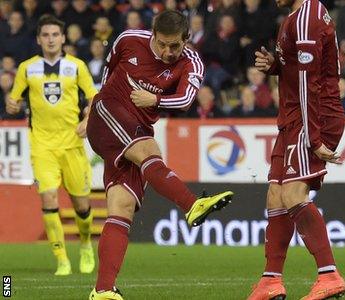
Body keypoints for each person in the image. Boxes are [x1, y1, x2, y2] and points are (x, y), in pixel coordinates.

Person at [86, 10, 233, 299]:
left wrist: (156, 99)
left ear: (185, 40)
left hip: (136, 127)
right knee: (150, 150)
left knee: (122, 206)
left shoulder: (191, 62)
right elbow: (108, 66)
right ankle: (192, 205)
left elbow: (187, 100)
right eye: (162, 44)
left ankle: (102, 290)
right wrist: (98, 98)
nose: (167, 52)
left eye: (174, 46)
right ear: (153, 35)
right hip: (107, 113)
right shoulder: (129, 39)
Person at [247, 0, 345, 299]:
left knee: (292, 194)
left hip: (312, 114)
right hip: (293, 117)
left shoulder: (306, 16)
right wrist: (276, 66)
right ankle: (270, 281)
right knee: (275, 196)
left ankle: (329, 275)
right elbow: (298, 68)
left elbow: (308, 80)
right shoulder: (295, 17)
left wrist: (313, 137)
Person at [5, 15, 97, 276]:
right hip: (42, 146)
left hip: (72, 144)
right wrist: (12, 104)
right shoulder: (26, 68)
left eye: (55, 34)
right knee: (48, 196)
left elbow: (94, 98)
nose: (51, 39)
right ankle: (62, 259)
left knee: (82, 205)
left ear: (63, 38)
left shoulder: (77, 66)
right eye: (45, 35)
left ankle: (86, 245)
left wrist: (88, 119)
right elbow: (13, 100)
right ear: (38, 39)